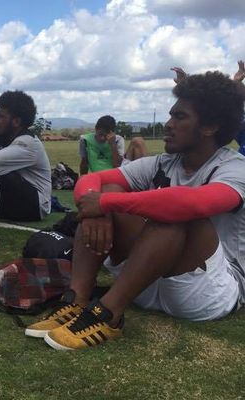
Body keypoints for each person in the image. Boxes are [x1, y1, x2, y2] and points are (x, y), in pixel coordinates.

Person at [25, 71, 245, 351]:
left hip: (209, 292)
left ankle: (109, 315)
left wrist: (105, 204)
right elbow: (91, 181)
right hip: (146, 281)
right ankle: (77, 298)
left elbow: (196, 204)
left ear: (210, 126)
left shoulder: (235, 167)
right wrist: (99, 208)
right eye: (171, 116)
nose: (168, 124)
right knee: (112, 190)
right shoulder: (165, 162)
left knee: (172, 213)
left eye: (180, 117)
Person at [0, 91, 51, 221]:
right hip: (20, 198)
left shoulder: (28, 143)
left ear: (16, 121)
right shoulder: (0, 138)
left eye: (1, 117)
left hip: (36, 206)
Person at [79, 115, 147, 175]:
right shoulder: (85, 140)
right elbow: (84, 163)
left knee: (138, 141)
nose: (102, 138)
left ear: (112, 133)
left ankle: (142, 179)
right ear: (96, 129)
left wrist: (113, 144)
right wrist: (82, 179)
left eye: (105, 135)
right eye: (100, 134)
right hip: (98, 175)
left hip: (118, 174)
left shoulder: (118, 140)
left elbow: (118, 166)